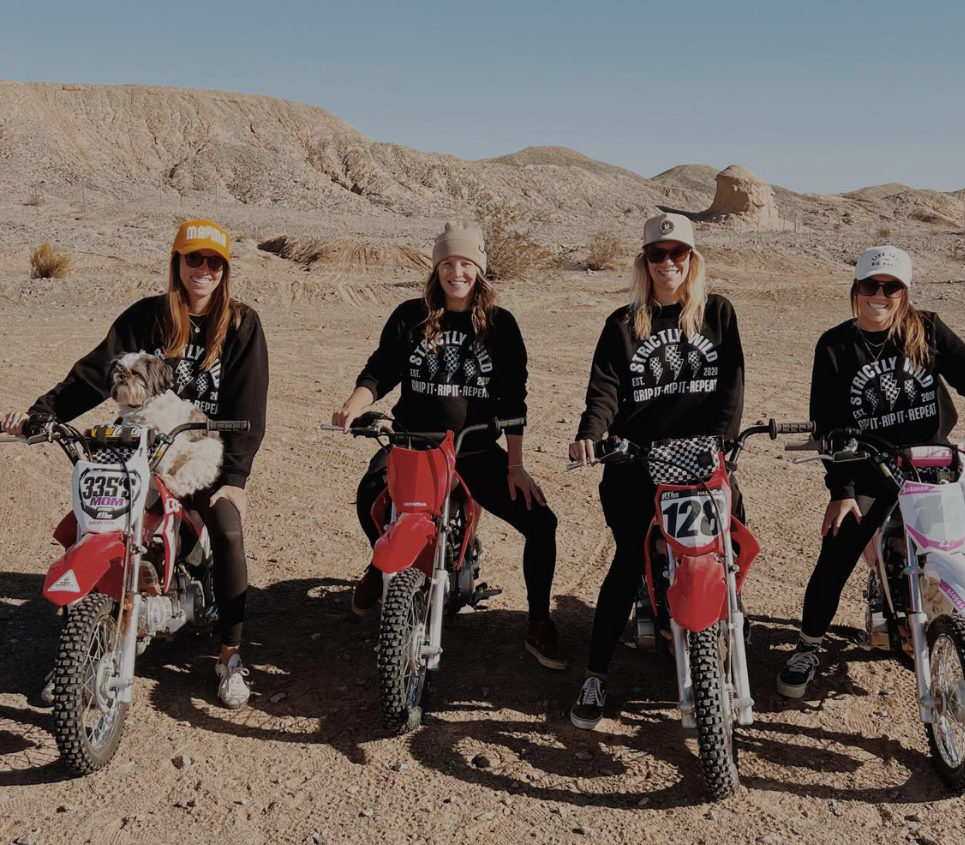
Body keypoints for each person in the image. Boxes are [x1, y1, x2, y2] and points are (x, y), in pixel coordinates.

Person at [2, 219, 268, 709]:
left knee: (228, 532)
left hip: (198, 458)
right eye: (194, 259)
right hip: (138, 453)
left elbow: (248, 407)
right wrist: (44, 413)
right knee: (94, 525)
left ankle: (230, 655)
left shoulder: (241, 323)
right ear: (178, 263)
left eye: (214, 262)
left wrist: (236, 479)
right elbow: (92, 375)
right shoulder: (147, 316)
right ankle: (77, 657)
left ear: (225, 270)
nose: (203, 270)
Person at [776, 244, 965, 700]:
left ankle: (959, 595)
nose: (880, 295)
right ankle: (808, 645)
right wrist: (842, 489)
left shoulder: (926, 330)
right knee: (839, 547)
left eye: (892, 287)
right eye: (872, 285)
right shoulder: (835, 346)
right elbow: (828, 424)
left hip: (930, 461)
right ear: (857, 288)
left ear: (904, 293)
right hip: (870, 466)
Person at [332, 219, 565, 669]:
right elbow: (381, 369)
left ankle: (539, 623)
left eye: (465, 263)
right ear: (436, 267)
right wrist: (355, 403)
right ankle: (381, 567)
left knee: (542, 525)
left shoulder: (500, 325)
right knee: (369, 497)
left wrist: (515, 465)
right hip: (413, 445)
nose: (455, 272)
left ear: (479, 269)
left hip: (473, 452)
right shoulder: (410, 316)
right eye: (447, 263)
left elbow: (514, 398)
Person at [568, 212, 745, 729]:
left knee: (727, 547)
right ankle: (596, 674)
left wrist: (722, 442)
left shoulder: (718, 313)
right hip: (636, 461)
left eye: (678, 254)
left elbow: (731, 384)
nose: (668, 263)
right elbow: (604, 389)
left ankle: (725, 632)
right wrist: (591, 434)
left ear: (692, 260)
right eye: (657, 254)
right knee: (628, 559)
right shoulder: (623, 324)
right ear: (644, 262)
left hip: (700, 460)